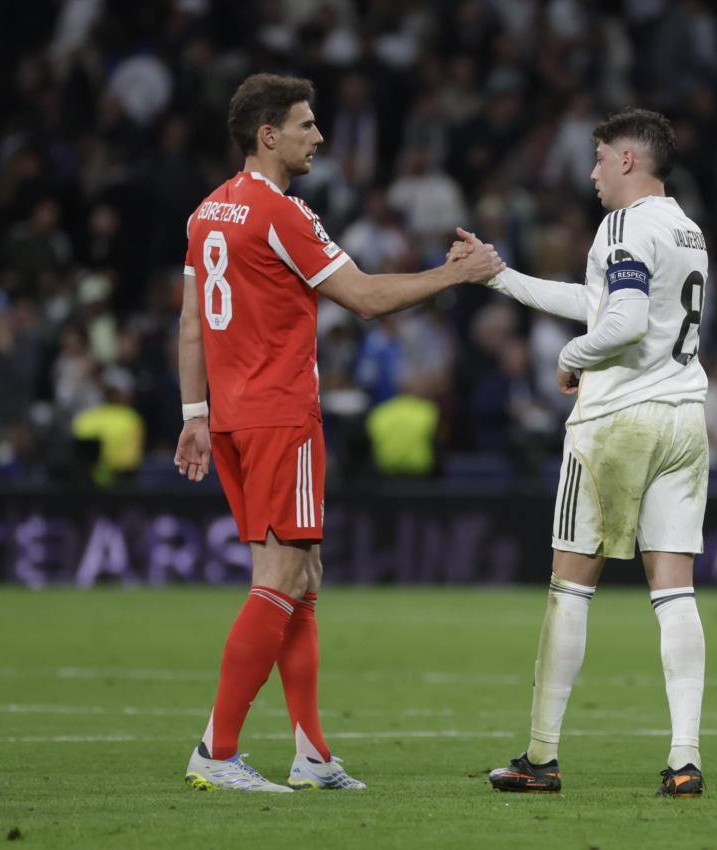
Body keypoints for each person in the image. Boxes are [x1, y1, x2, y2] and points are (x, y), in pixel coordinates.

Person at [174, 73, 503, 793]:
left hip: (230, 416)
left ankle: (312, 753)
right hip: (280, 413)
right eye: (305, 125)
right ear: (269, 136)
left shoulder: (207, 213)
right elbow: (361, 297)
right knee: (281, 577)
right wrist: (455, 275)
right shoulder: (282, 213)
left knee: (303, 576)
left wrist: (192, 416)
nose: (318, 137)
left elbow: (193, 320)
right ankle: (216, 751)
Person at [452, 108, 709, 797]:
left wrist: (569, 358)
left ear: (628, 160)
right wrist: (500, 277)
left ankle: (540, 758)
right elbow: (603, 302)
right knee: (674, 590)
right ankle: (685, 759)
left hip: (617, 422)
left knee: (571, 586)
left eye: (599, 159)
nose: (591, 173)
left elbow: (616, 326)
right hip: (683, 419)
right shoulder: (685, 228)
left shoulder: (623, 225)